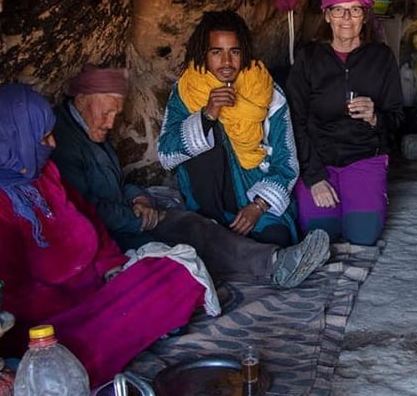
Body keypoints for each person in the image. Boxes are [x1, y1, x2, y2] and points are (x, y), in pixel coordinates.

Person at [0, 83, 204, 386]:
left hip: (92, 291)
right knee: (63, 360)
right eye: (43, 137)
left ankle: (129, 323)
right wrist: (89, 294)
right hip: (46, 321)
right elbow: (7, 297)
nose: (53, 143)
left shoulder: (42, 173)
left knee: (178, 270)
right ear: (12, 139)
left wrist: (111, 268)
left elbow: (89, 220)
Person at [51, 65, 329, 288]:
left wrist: (138, 198)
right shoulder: (66, 143)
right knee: (188, 243)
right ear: (81, 100)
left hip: (129, 217)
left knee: (196, 227)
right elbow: (82, 209)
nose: (111, 122)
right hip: (106, 236)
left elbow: (117, 185)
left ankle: (275, 261)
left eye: (116, 113)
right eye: (106, 113)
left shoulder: (91, 130)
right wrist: (138, 219)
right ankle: (274, 266)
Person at [158, 11, 299, 248]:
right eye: (216, 52)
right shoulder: (186, 90)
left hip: (253, 191)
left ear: (244, 53)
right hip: (207, 200)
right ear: (204, 54)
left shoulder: (266, 91)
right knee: (208, 141)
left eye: (234, 52)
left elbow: (287, 163)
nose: (226, 62)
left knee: (276, 237)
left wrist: (258, 206)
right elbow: (166, 154)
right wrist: (207, 115)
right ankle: (218, 230)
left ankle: (234, 244)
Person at [285, 0, 404, 246]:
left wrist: (376, 117)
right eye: (338, 9)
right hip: (318, 159)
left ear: (365, 16)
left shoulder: (381, 58)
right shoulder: (308, 58)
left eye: (355, 9)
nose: (346, 18)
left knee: (363, 235)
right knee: (320, 235)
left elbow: (397, 118)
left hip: (364, 158)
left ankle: (366, 195)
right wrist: (314, 177)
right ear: (327, 15)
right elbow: (294, 121)